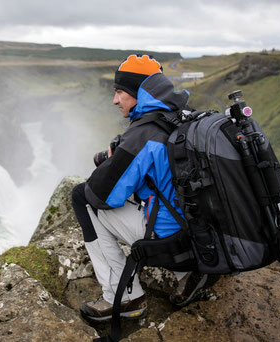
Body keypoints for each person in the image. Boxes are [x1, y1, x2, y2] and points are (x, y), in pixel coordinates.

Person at [71, 54, 206, 322]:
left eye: (120, 92)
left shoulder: (143, 134)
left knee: (80, 197)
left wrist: (115, 159)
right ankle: (189, 274)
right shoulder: (181, 116)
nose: (115, 100)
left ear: (139, 92)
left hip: (173, 243)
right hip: (203, 237)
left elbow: (101, 196)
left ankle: (123, 297)